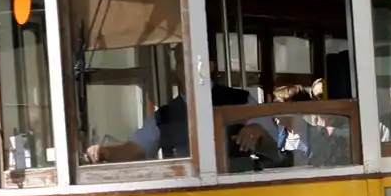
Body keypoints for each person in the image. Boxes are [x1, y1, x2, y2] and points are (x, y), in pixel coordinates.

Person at [84, 70, 273, 164]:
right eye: (180, 60)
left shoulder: (240, 99)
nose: (184, 66)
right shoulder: (164, 116)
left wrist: (256, 129)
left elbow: (273, 135)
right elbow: (137, 148)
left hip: (240, 190)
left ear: (209, 65)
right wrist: (105, 152)